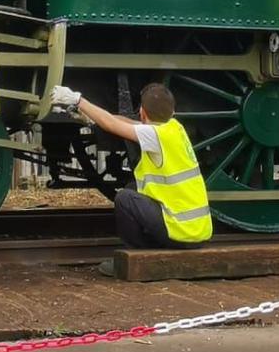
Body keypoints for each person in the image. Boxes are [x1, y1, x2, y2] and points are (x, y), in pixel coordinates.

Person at [50, 82, 211, 271]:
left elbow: (112, 125)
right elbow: (122, 121)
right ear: (172, 111)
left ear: (142, 112)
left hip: (180, 232)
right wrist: (91, 118)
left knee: (125, 198)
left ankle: (138, 256)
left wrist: (78, 100)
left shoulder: (155, 136)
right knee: (133, 189)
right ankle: (149, 248)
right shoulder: (175, 129)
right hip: (195, 230)